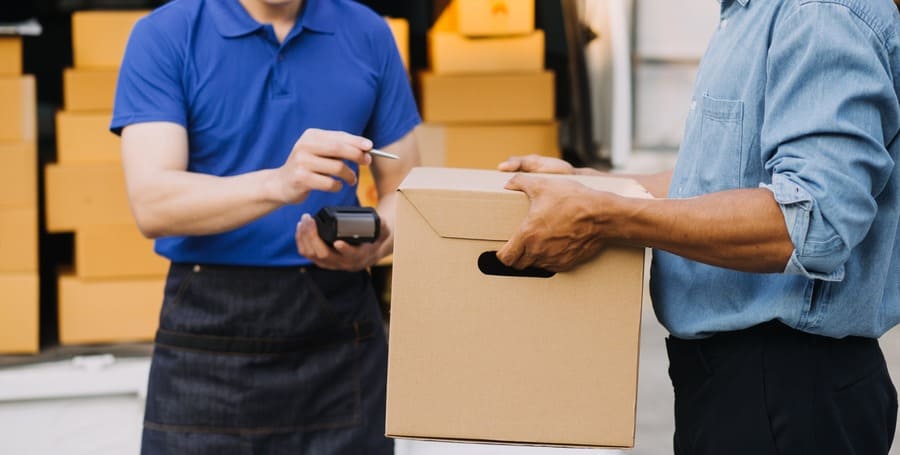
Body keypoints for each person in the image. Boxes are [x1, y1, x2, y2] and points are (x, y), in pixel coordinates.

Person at [497, 0, 899, 454]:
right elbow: (721, 181)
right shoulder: (752, 14)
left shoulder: (819, 13)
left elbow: (810, 222)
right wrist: (592, 186)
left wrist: (606, 216)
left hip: (787, 389)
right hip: (736, 383)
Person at [110, 0, 420, 453]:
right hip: (208, 322)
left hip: (340, 321)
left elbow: (407, 191)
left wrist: (376, 244)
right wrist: (280, 183)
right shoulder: (167, 33)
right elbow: (153, 204)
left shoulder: (367, 31)